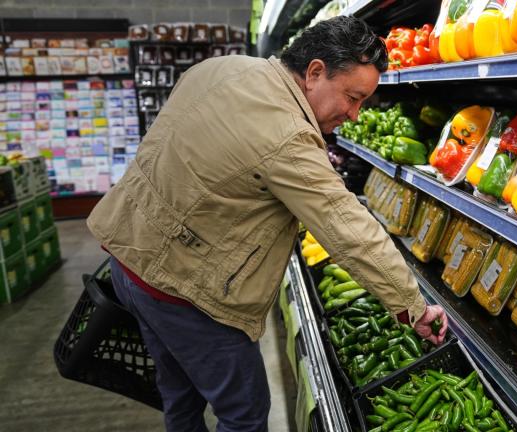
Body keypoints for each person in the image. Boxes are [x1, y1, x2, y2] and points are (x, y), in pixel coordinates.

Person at [87, 16, 449, 432]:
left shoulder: (223, 67)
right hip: (185, 292)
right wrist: (412, 306)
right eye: (352, 97)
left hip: (130, 256)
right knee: (244, 415)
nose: (354, 113)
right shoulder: (287, 137)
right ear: (314, 72)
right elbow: (349, 230)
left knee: (180, 395)